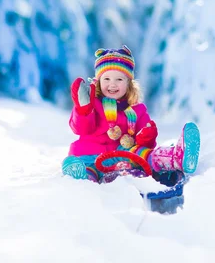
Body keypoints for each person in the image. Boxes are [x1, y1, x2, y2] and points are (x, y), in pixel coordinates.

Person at [61, 45, 200, 183]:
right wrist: (84, 110)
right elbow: (81, 128)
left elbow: (146, 143)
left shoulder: (137, 110)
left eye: (119, 79)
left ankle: (175, 158)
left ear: (129, 84)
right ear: (98, 82)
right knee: (87, 169)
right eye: (107, 79)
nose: (113, 84)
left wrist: (147, 137)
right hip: (89, 155)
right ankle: (82, 178)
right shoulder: (93, 104)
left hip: (123, 155)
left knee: (144, 153)